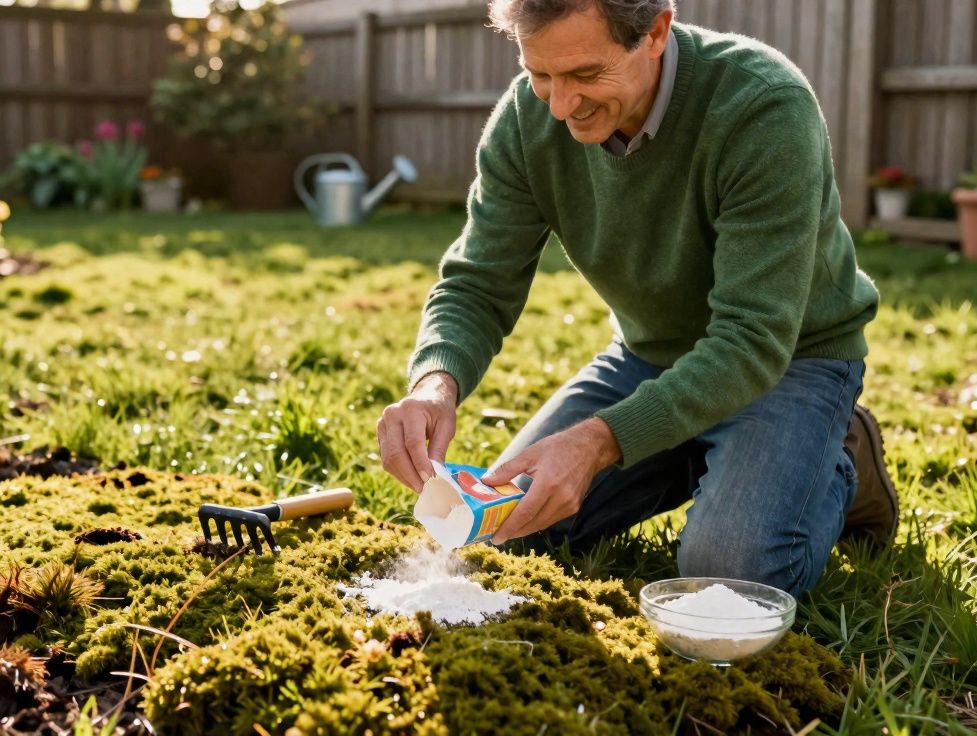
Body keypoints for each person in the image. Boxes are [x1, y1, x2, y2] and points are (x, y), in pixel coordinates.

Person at [375, 0, 898, 597]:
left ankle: (841, 460)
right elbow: (478, 281)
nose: (560, 107)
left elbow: (753, 339)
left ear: (655, 31)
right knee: (504, 529)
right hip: (648, 359)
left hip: (788, 362)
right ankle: (698, 447)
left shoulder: (761, 105)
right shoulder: (527, 119)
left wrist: (600, 440)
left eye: (585, 75)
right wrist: (434, 383)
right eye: (540, 74)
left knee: (731, 575)